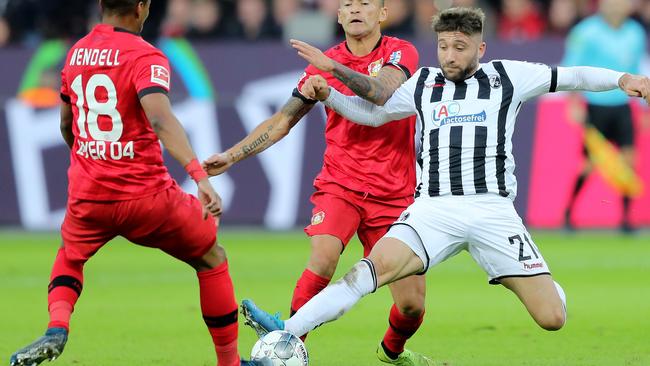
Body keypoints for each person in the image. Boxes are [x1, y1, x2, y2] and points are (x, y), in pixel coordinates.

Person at [239, 6, 650, 351]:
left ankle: (524, 276)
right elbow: (373, 113)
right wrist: (332, 96)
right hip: (432, 211)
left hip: (492, 211)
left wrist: (623, 80)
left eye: (460, 47)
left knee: (552, 318)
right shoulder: (423, 84)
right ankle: (284, 333)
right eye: (443, 47)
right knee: (365, 273)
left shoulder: (509, 76)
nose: (450, 56)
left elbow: (573, 76)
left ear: (480, 48)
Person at [9, 1, 260, 366]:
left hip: (89, 196)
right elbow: (160, 119)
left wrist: (92, 160)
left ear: (100, 5)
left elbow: (67, 124)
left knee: (70, 256)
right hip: (146, 196)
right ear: (142, 7)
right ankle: (230, 363)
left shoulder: (77, 53)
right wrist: (199, 176)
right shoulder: (147, 56)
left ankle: (56, 327)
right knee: (212, 257)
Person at [203, 1, 432, 364]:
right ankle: (283, 350)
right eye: (347, 5)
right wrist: (231, 156)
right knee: (323, 259)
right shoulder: (321, 66)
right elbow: (282, 121)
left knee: (411, 306)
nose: (356, 10)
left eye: (365, 3)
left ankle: (392, 353)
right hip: (341, 183)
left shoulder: (400, 52)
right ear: (338, 15)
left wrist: (332, 70)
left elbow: (382, 92)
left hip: (394, 194)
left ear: (383, 14)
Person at [563, 0, 647, 233]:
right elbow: (571, 69)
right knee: (588, 165)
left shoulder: (635, 33)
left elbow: (637, 71)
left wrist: (642, 107)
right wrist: (574, 102)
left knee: (629, 161)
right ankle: (568, 214)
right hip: (595, 104)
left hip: (622, 105)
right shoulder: (585, 31)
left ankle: (626, 219)